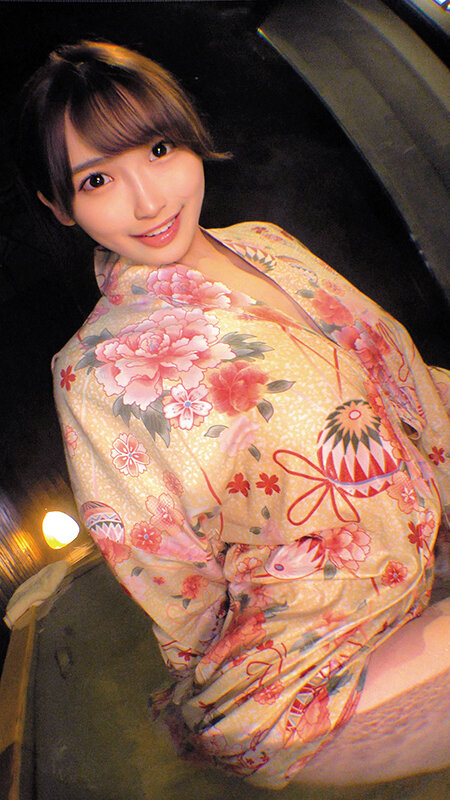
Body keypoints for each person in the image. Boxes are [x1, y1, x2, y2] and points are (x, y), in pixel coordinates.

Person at [18, 40, 449, 789]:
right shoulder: (95, 372)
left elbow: (401, 379)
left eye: (159, 149)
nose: (149, 200)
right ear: (59, 206)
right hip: (313, 667)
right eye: (98, 179)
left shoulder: (266, 244)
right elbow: (169, 575)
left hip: (422, 565)